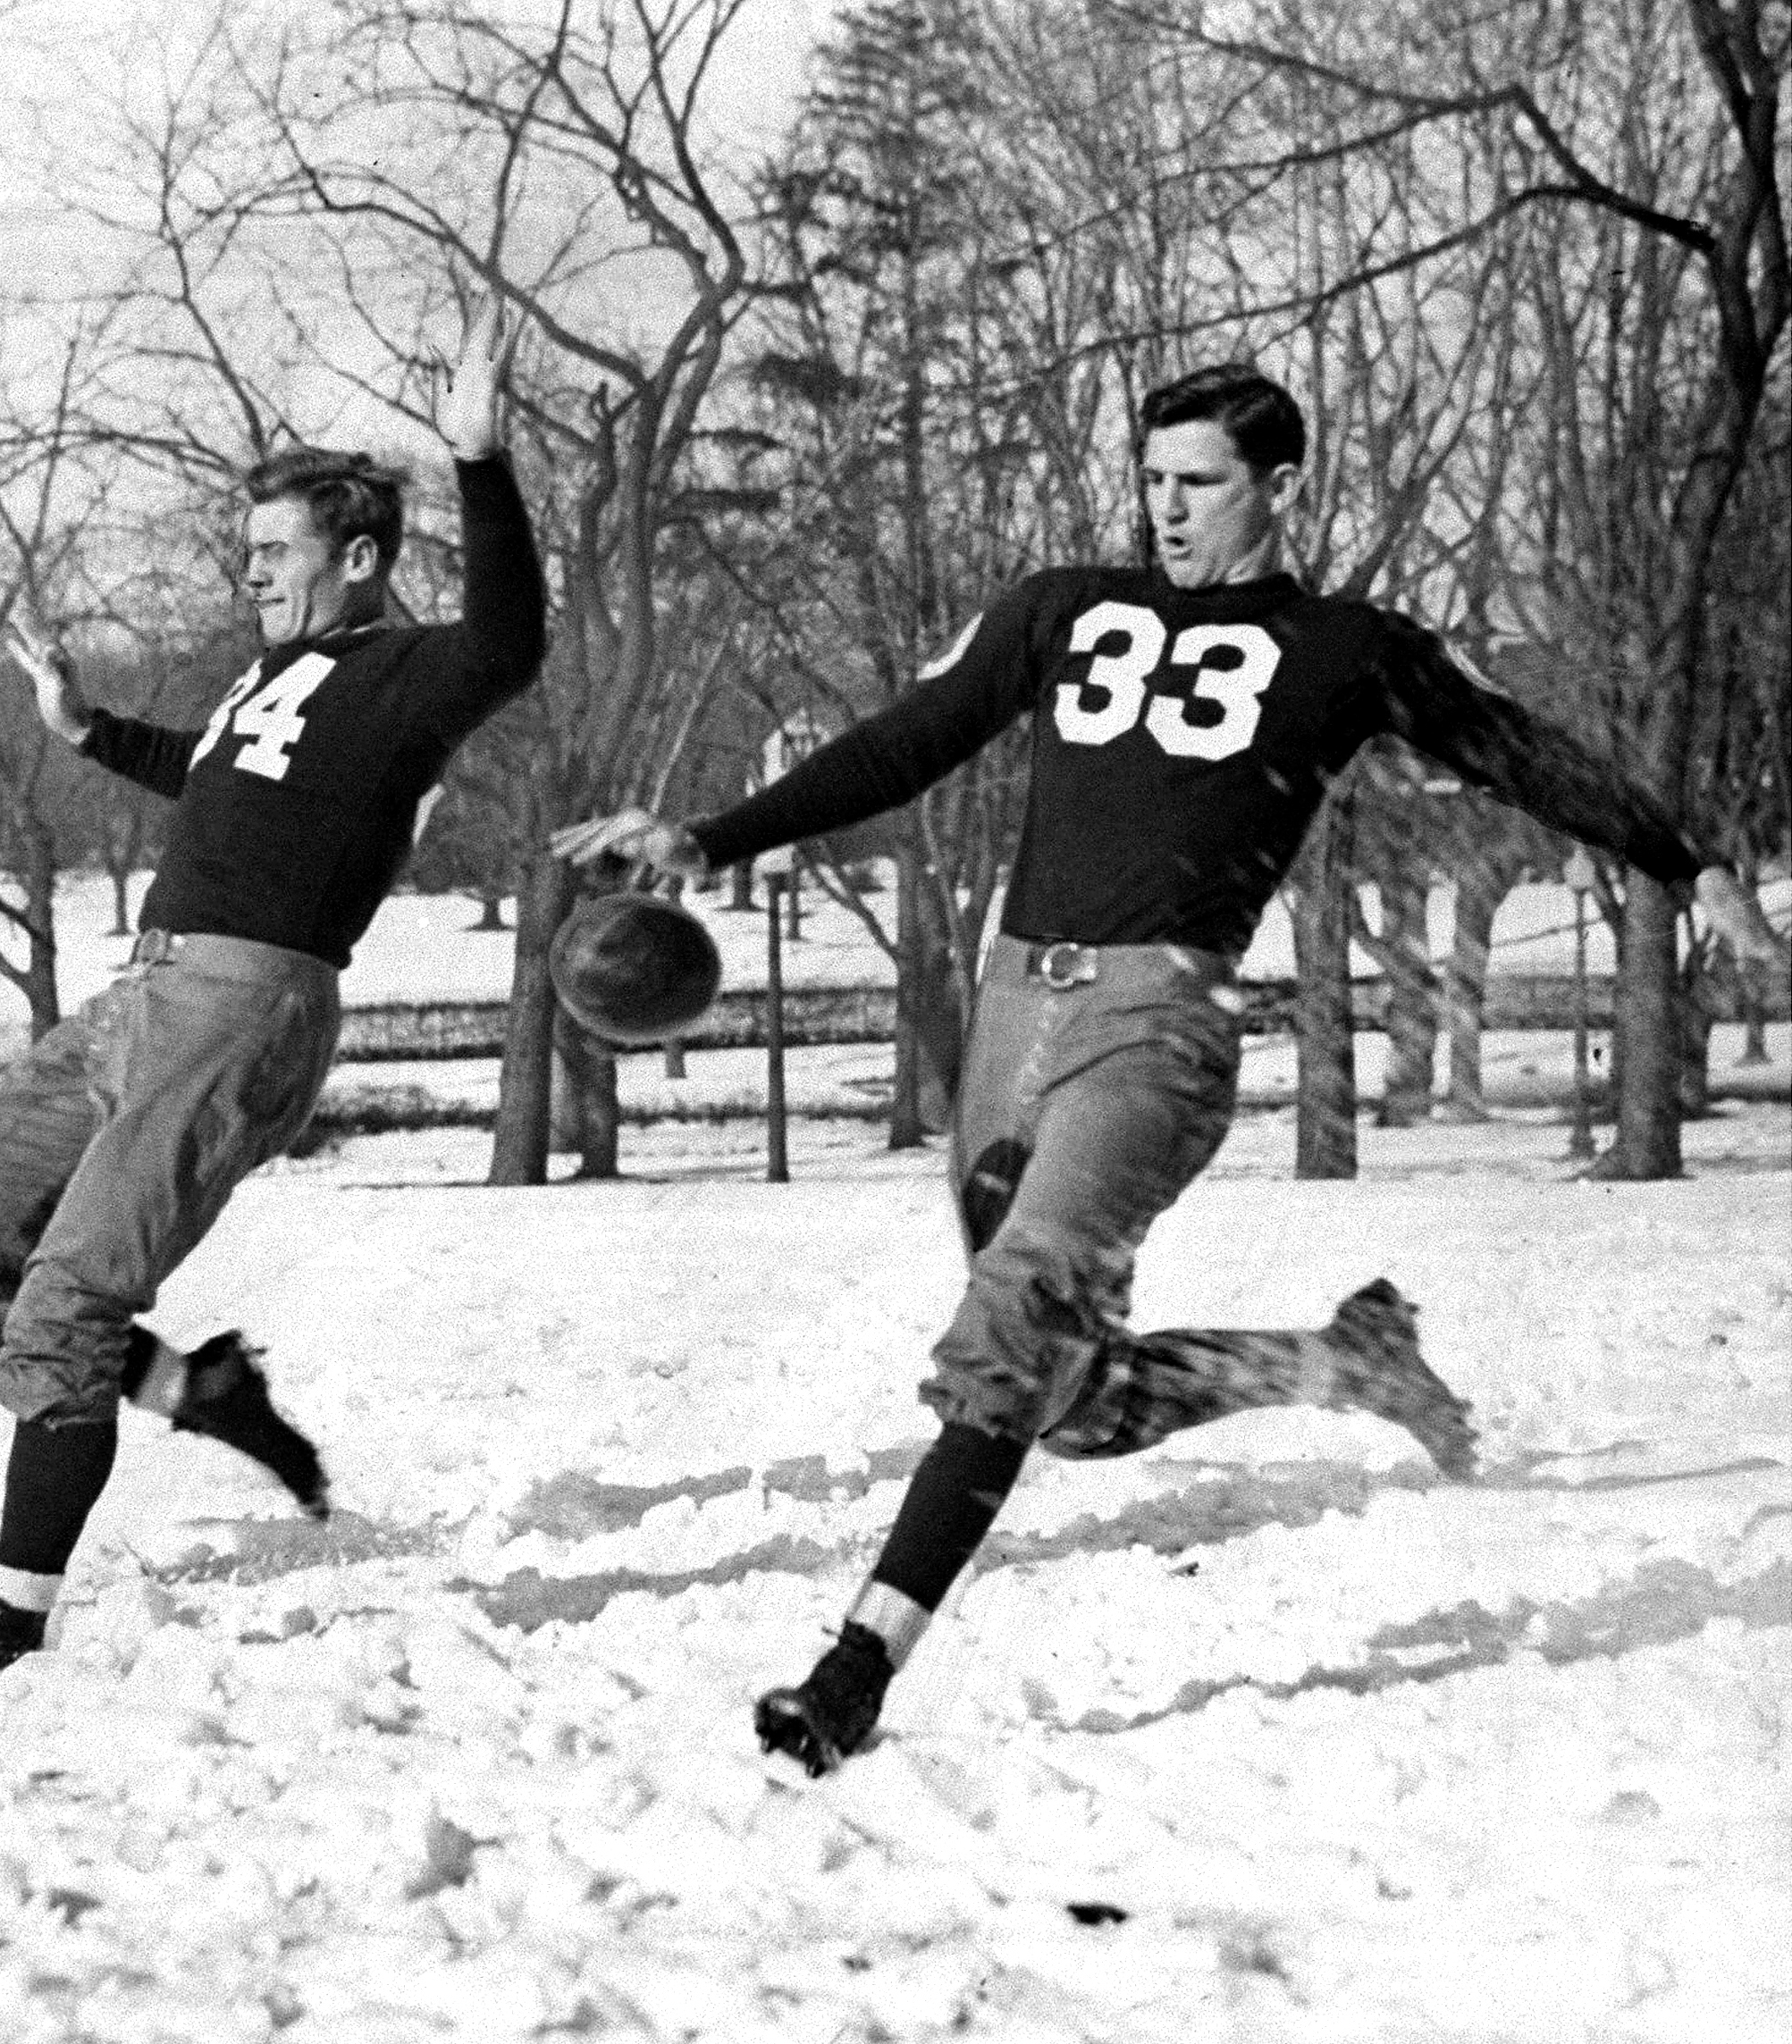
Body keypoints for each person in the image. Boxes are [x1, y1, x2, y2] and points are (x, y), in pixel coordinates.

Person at [554, 361, 1789, 1777]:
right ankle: (1337, 1360)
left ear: (1280, 486)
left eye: (1198, 483)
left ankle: (852, 1671)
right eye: (1151, 480)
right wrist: (713, 836)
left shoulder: (1349, 646)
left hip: (1158, 1027)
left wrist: (1684, 862)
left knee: (1008, 1334)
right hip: (1012, 1014)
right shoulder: (1062, 609)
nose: (1166, 510)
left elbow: (1518, 753)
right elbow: (908, 744)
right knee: (1060, 1406)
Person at [0, 301, 545, 1695]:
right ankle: (200, 1390)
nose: (249, 573)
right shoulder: (272, 673)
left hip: (245, 1009)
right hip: (141, 991)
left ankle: (4, 1635)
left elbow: (509, 644)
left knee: (63, 1305)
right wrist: (83, 729)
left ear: (360, 560)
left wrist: (481, 464)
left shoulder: (408, 669)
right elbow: (217, 777)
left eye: (274, 552)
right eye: (242, 552)